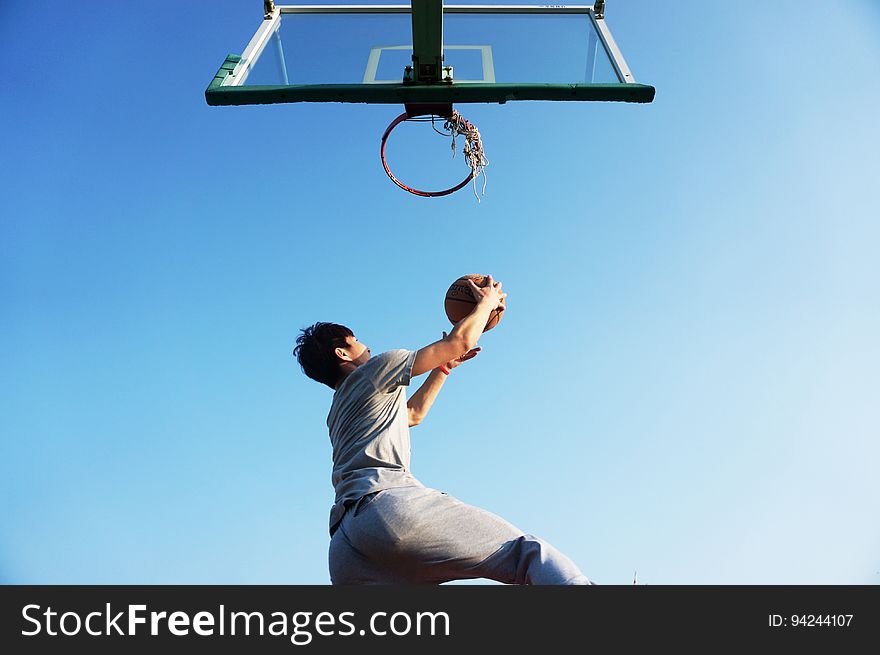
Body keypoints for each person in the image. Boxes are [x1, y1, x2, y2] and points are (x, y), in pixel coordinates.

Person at [293, 275, 592, 585]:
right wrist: (487, 301)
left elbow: (412, 414)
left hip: (345, 549)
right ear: (343, 353)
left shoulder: (339, 411)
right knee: (525, 553)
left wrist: (444, 367)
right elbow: (459, 341)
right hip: (387, 509)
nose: (368, 349)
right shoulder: (376, 369)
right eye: (359, 344)